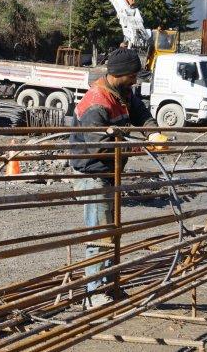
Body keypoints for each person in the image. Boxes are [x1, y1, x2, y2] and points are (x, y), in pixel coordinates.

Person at [69, 47, 163, 308]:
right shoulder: (96, 103)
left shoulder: (123, 93)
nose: (136, 80)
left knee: (112, 232)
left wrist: (152, 133)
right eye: (133, 75)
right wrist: (138, 146)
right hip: (92, 174)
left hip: (110, 172)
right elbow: (98, 147)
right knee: (100, 234)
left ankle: (109, 286)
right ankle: (94, 293)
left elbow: (140, 112)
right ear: (120, 74)